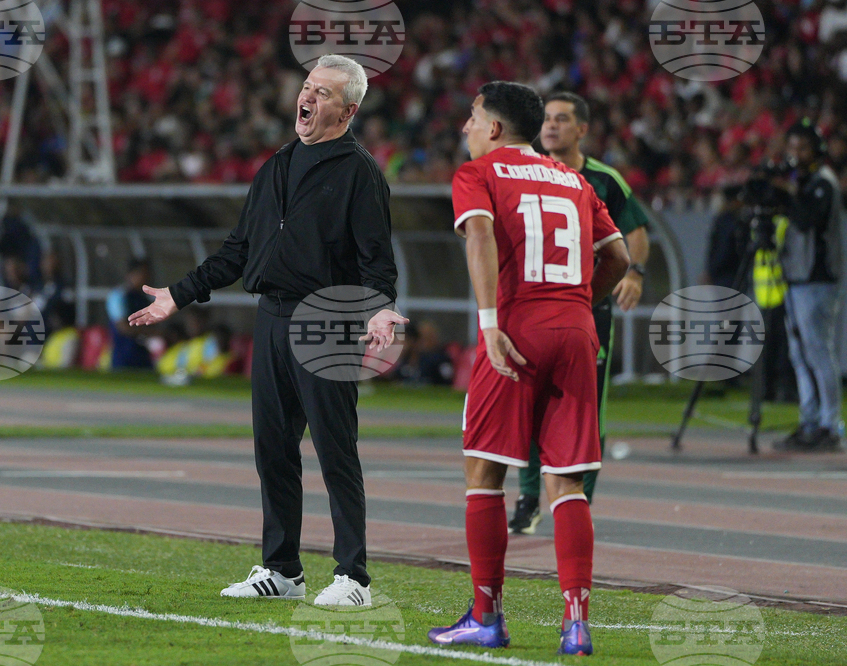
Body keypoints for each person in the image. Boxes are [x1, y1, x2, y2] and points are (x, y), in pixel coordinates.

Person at [128, 54, 407, 606]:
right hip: (272, 318)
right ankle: (282, 571)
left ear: (347, 110)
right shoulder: (277, 164)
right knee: (273, 450)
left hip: (329, 318)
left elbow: (377, 256)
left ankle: (353, 577)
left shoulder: (360, 172)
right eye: (307, 87)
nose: (308, 98)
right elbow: (238, 251)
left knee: (335, 451)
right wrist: (178, 295)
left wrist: (380, 307)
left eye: (323, 93)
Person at [427, 82, 629, 653]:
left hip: (516, 331)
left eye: (471, 117)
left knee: (484, 473)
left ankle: (487, 617)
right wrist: (579, 307)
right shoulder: (574, 179)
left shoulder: (480, 173)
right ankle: (576, 625)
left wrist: (490, 322)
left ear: (493, 127)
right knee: (567, 484)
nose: (465, 128)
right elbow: (617, 257)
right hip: (575, 332)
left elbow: (482, 236)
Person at [508, 92, 651, 535]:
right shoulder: (526, 172)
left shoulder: (603, 179)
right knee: (529, 402)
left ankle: (578, 500)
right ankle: (530, 495)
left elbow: (636, 232)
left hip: (587, 311)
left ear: (582, 129)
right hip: (534, 308)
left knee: (586, 407)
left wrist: (635, 274)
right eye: (547, 118)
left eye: (562, 119)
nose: (551, 126)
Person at [773, 119, 844, 452]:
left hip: (818, 279)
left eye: (802, 147)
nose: (796, 154)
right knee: (800, 355)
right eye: (793, 147)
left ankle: (831, 425)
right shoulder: (802, 181)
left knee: (818, 352)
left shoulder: (823, 182)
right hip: (797, 277)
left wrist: (788, 194)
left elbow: (806, 219)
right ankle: (810, 422)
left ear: (816, 150)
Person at [106, 258, 153, 370]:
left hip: (142, 353)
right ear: (131, 274)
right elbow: (123, 328)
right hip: (123, 354)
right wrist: (154, 332)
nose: (146, 278)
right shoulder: (118, 296)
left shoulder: (144, 299)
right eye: (142, 274)